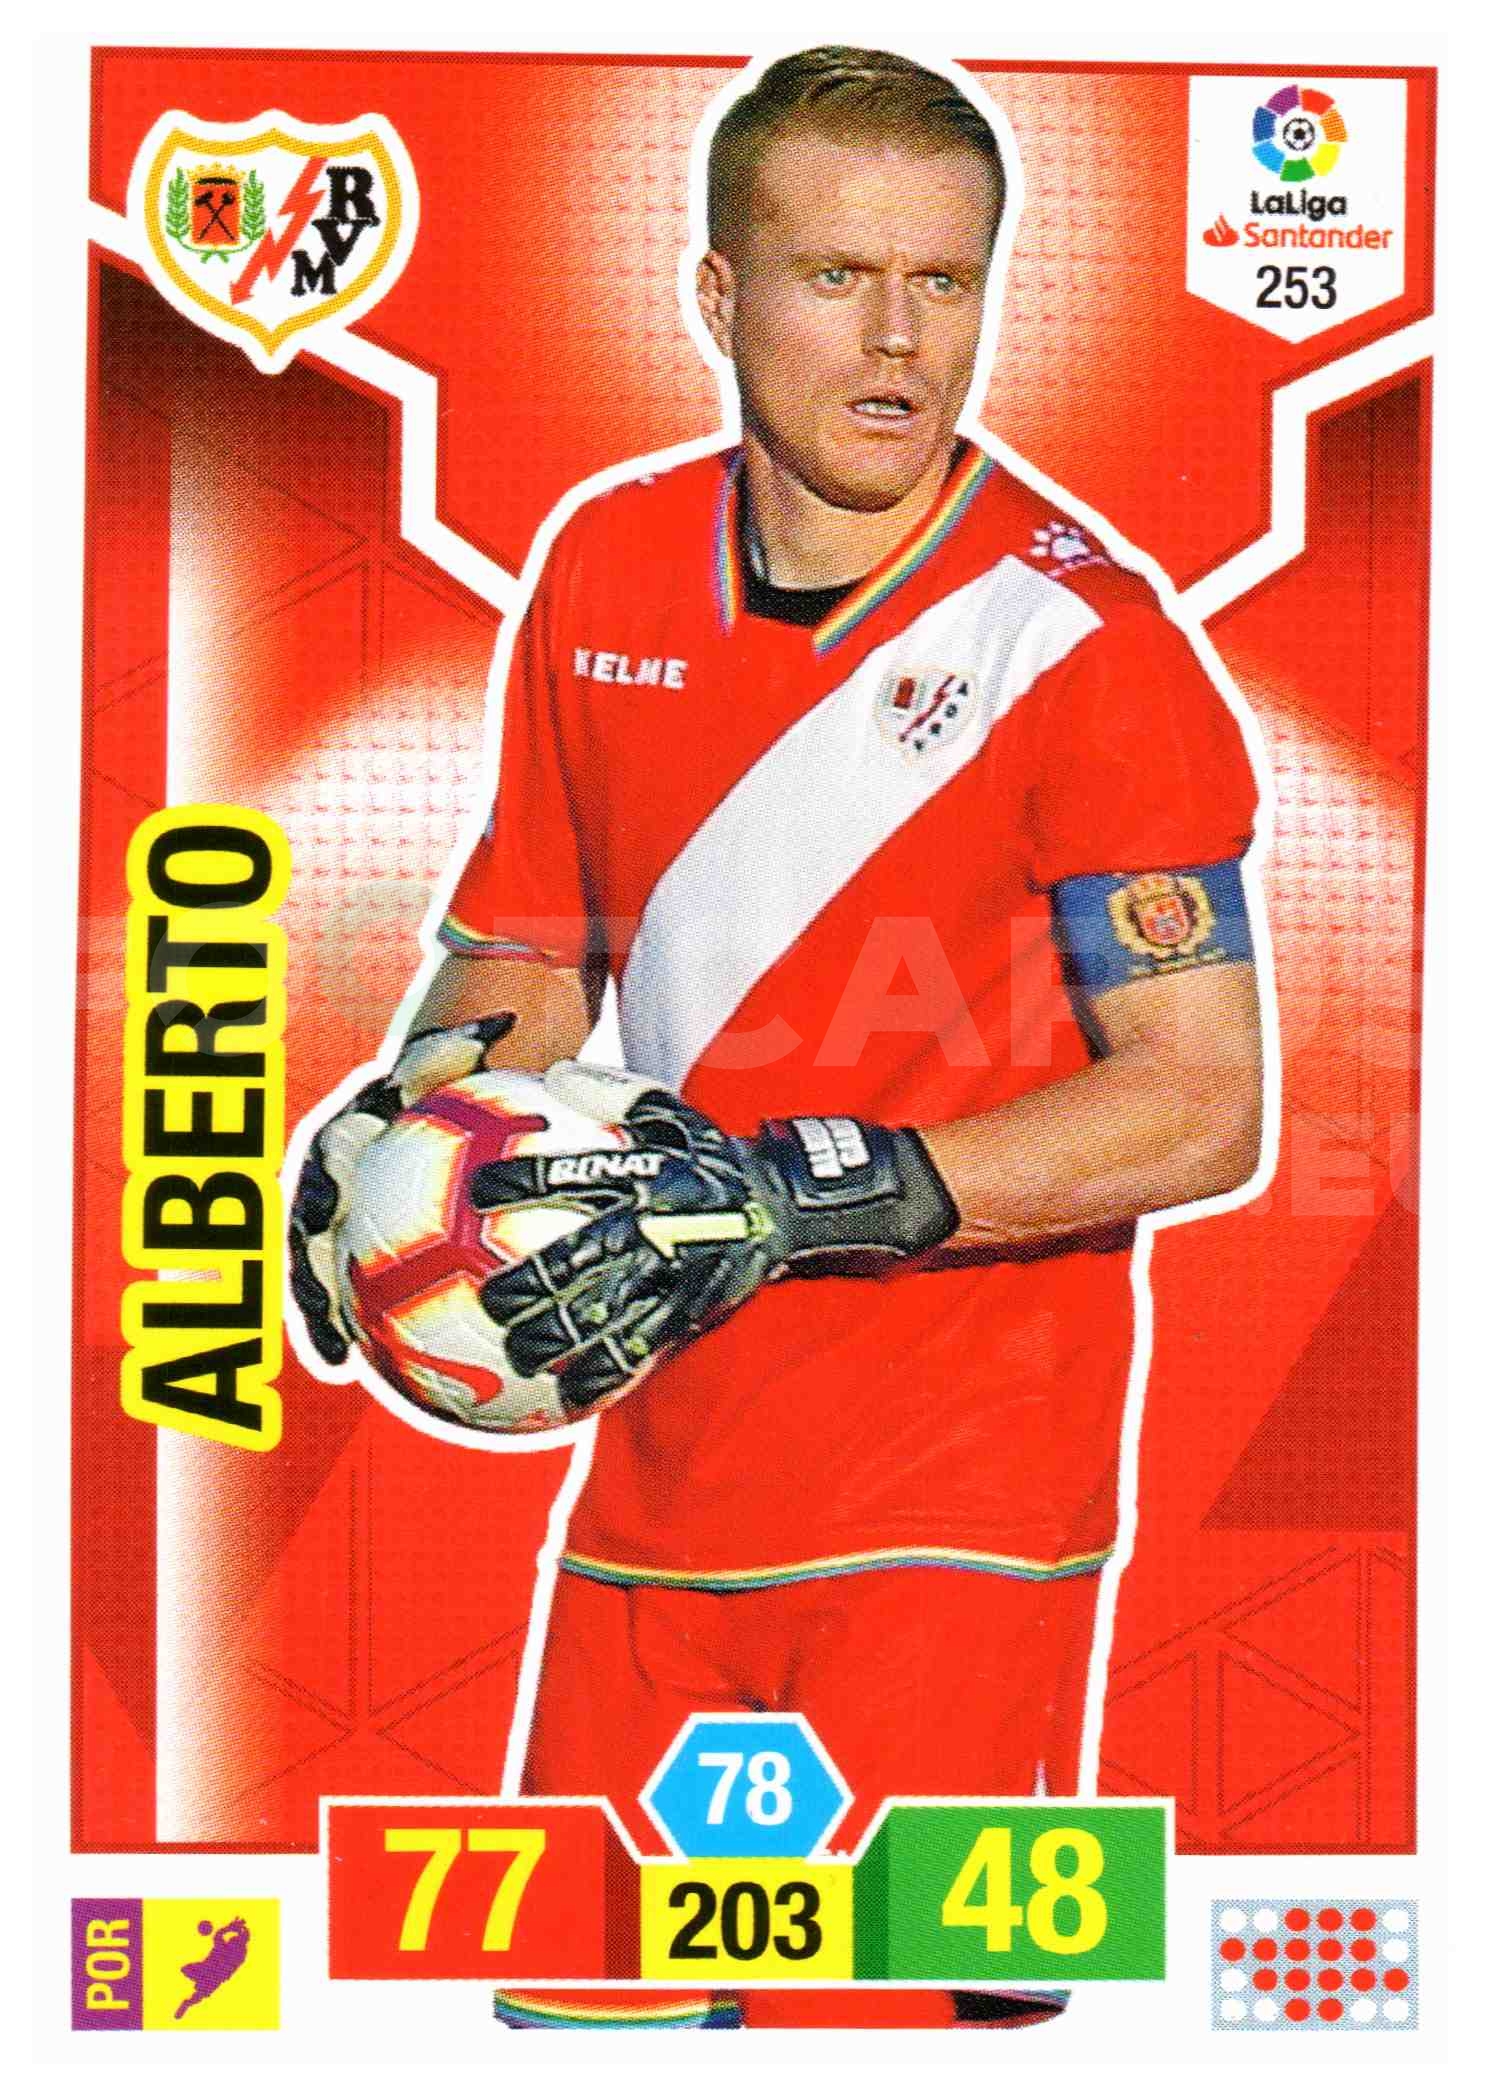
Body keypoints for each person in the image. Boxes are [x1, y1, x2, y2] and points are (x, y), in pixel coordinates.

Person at [291, 46, 1266, 2031]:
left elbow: (1206, 1102)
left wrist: (820, 1194)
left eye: (944, 281)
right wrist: (401, 1135)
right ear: (720, 296)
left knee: (865, 2031)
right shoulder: (601, 561)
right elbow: (534, 945)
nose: (900, 339)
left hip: (958, 1507)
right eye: (837, 277)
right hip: (653, 1469)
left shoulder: (1087, 644)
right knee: (584, 2020)